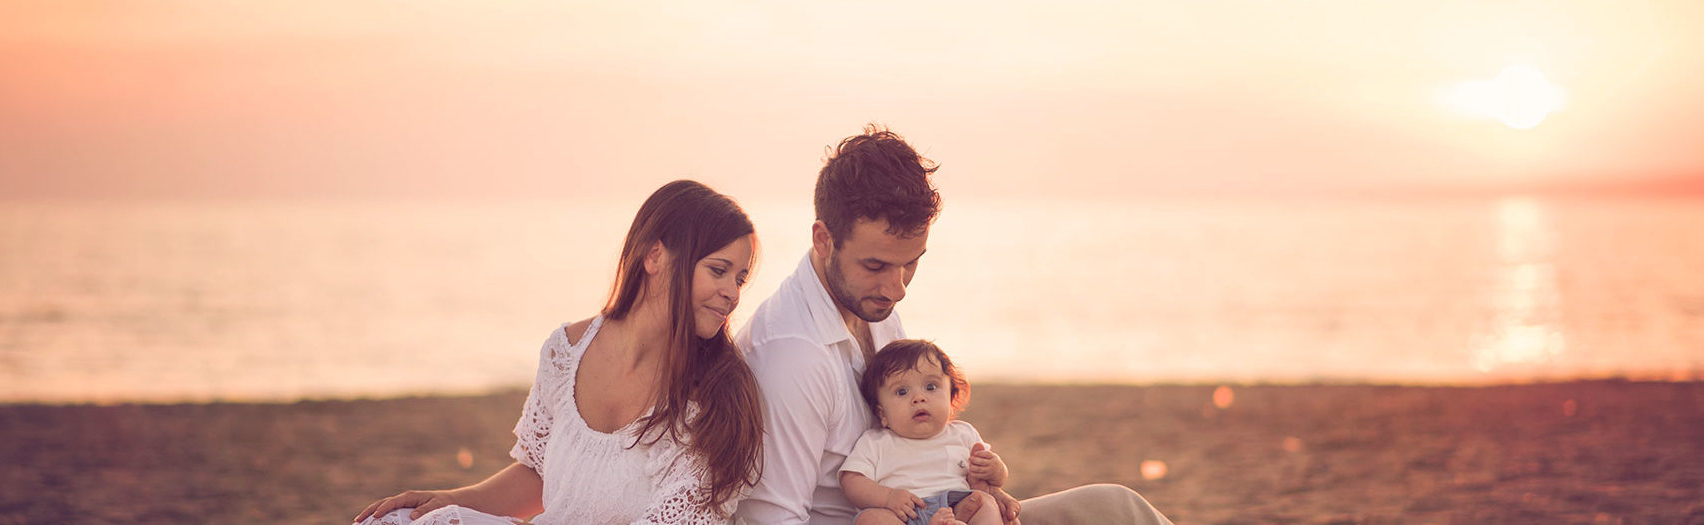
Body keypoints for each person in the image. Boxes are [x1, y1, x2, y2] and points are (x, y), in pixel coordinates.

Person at [733, 125, 1174, 524]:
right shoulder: (789, 355)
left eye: (911, 265)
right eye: (876, 265)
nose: (898, 287)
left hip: (942, 514)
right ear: (823, 238)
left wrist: (979, 492)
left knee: (1117, 508)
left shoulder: (873, 306)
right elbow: (770, 520)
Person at [353, 180, 765, 525]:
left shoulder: (717, 396)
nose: (732, 293)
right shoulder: (566, 352)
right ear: (654, 256)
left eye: (741, 278)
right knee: (394, 520)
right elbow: (538, 474)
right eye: (718, 270)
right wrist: (454, 500)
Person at [841, 339, 1010, 525]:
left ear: (951, 399)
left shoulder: (963, 434)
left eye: (931, 387)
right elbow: (851, 480)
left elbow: (993, 480)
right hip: (902, 515)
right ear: (882, 414)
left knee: (984, 502)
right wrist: (888, 497)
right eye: (902, 392)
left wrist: (996, 470)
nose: (919, 398)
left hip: (957, 508)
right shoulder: (875, 442)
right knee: (870, 519)